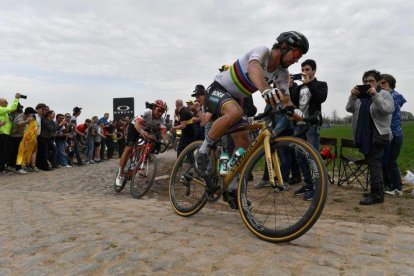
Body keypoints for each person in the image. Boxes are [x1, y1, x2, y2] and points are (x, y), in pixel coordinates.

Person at [196, 31, 309, 180]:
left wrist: (294, 110)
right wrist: (266, 89)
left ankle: (230, 180)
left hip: (235, 99)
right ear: (284, 46)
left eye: (299, 57)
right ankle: (202, 151)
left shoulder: (283, 73)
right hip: (218, 89)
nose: (296, 59)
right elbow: (253, 69)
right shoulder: (263, 52)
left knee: (245, 144)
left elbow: (286, 99)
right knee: (236, 111)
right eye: (296, 53)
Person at [346, 70, 394, 205]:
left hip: (377, 135)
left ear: (378, 82)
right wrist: (352, 96)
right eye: (365, 81)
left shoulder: (384, 94)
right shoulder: (361, 97)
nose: (368, 83)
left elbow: (387, 109)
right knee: (372, 162)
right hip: (364, 135)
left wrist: (375, 95)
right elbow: (349, 108)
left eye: (371, 81)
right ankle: (376, 190)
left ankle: (377, 195)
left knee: (374, 163)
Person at [290, 59, 328, 200]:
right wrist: (291, 86)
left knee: (313, 155)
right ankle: (308, 184)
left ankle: (318, 188)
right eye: (303, 69)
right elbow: (293, 102)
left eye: (307, 69)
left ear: (313, 71)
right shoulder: (299, 88)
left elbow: (321, 98)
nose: (304, 72)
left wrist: (310, 83)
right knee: (300, 156)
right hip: (299, 124)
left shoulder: (321, 85)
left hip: (312, 124)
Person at [115, 100, 169, 186]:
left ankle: (140, 159)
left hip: (145, 129)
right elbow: (137, 124)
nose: (160, 113)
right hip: (135, 127)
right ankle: (120, 173)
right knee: (128, 148)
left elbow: (164, 132)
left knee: (153, 140)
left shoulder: (161, 119)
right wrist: (141, 132)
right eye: (159, 110)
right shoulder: (147, 112)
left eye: (162, 111)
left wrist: (166, 141)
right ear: (154, 108)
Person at [379, 74, 406, 196]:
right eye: (380, 83)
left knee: (392, 161)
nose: (381, 85)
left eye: (383, 83)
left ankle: (398, 188)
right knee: (386, 161)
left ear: (390, 83)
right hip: (388, 134)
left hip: (394, 134)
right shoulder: (389, 95)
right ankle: (389, 185)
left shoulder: (393, 96)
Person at [0, 93, 22, 175]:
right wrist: (16, 98)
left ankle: (3, 168)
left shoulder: (5, 112)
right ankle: (1, 170)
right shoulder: (0, 109)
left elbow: (7, 124)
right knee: (2, 152)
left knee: (5, 152)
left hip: (6, 134)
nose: (7, 103)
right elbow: (13, 108)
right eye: (5, 102)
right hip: (2, 134)